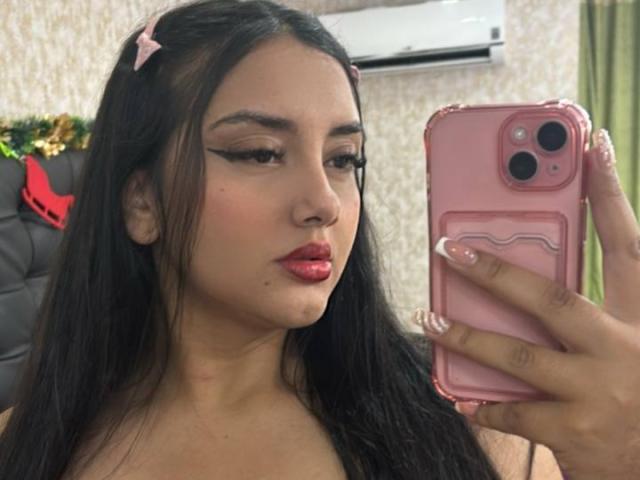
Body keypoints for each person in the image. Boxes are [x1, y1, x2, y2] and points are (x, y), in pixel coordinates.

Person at [1, 0, 639, 478]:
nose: (324, 203)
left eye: (343, 159)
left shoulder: (480, 432)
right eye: (259, 153)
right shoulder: (27, 447)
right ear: (143, 201)